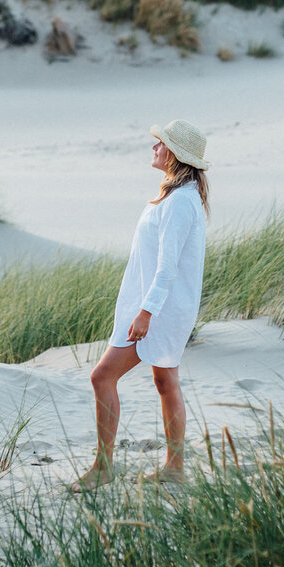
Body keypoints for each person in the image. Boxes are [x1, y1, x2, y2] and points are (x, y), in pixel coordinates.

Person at [71, 119, 209, 491]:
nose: (154, 148)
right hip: (164, 305)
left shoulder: (180, 201)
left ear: (175, 154)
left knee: (102, 376)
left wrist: (146, 312)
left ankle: (103, 466)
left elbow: (167, 267)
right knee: (166, 381)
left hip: (159, 308)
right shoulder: (179, 194)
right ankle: (175, 468)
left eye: (159, 144)